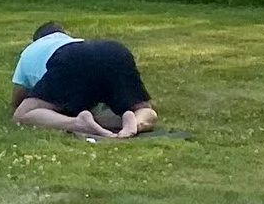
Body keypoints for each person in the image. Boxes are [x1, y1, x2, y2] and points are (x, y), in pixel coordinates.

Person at [10, 26, 159, 139]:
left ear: (37, 39)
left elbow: (18, 98)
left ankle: (78, 123)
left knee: (23, 113)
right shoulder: (75, 41)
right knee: (142, 108)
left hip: (71, 59)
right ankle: (135, 122)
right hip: (115, 51)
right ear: (64, 34)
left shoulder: (30, 50)